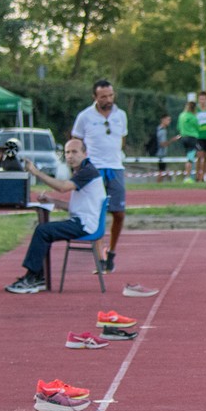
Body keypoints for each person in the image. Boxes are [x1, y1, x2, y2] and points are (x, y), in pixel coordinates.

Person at [5, 136, 105, 294]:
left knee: (43, 231)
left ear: (85, 154)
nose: (70, 156)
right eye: (67, 152)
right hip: (82, 221)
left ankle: (32, 278)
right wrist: (53, 201)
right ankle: (38, 277)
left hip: (84, 225)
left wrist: (36, 172)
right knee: (44, 231)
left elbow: (63, 187)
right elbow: (75, 206)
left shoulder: (88, 171)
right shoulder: (82, 171)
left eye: (74, 152)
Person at [72, 78, 127, 271]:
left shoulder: (121, 115)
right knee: (96, 213)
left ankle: (112, 251)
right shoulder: (84, 117)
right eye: (103, 97)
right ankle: (100, 257)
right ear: (95, 97)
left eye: (111, 95)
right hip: (94, 169)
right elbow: (76, 142)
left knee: (119, 213)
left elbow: (122, 139)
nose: (108, 100)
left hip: (115, 167)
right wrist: (78, 166)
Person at [177, 95, 201, 183]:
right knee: (190, 158)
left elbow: (178, 127)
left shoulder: (181, 115)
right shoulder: (193, 117)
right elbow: (198, 128)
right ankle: (187, 177)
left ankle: (190, 176)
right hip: (192, 138)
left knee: (189, 156)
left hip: (183, 137)